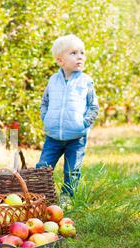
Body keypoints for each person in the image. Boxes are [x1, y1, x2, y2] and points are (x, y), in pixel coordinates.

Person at [36, 34, 99, 204]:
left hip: (76, 136)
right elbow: (45, 102)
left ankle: (67, 196)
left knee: (72, 170)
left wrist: (83, 124)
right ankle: (41, 196)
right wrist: (46, 119)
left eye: (82, 52)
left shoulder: (86, 81)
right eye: (73, 53)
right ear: (60, 60)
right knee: (43, 167)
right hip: (53, 136)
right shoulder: (53, 80)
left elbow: (93, 107)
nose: (80, 56)